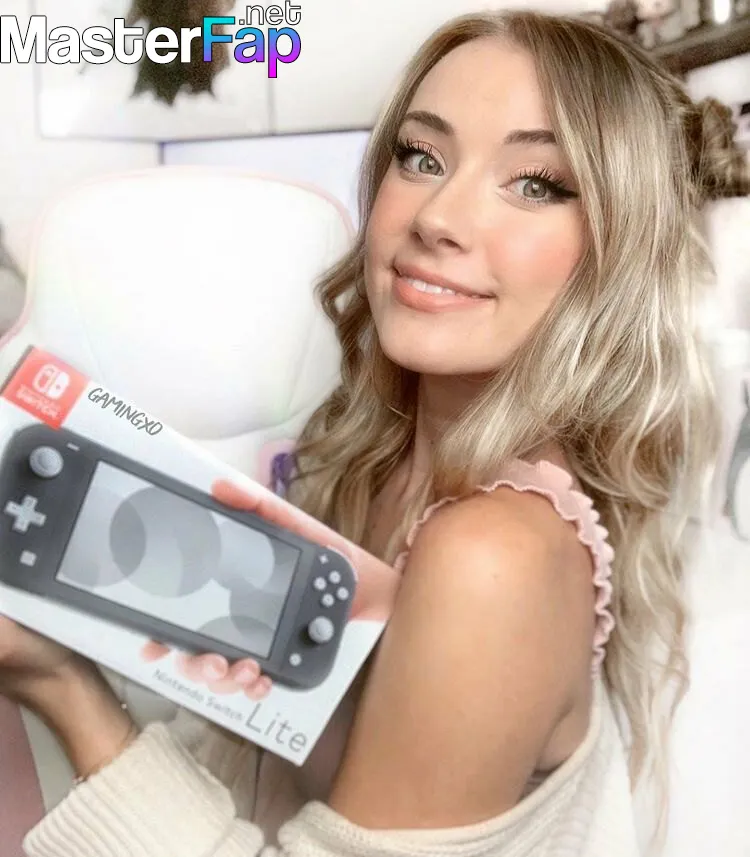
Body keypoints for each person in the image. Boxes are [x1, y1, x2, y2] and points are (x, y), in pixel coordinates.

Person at [1, 9, 748, 856]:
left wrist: (60, 687)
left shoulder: (493, 556)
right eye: (421, 156)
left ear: (618, 249)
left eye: (536, 183)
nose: (437, 216)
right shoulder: (375, 467)